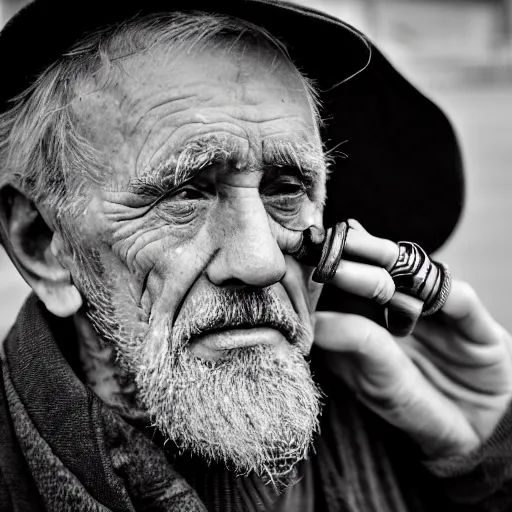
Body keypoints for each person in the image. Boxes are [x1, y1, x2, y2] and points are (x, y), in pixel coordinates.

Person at [0, 1, 511, 511]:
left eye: (286, 189)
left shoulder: (403, 427)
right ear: (42, 242)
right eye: (183, 194)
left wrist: (487, 456)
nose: (261, 262)